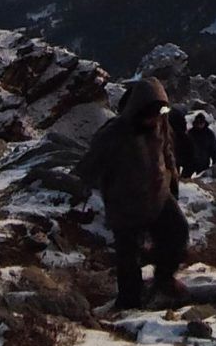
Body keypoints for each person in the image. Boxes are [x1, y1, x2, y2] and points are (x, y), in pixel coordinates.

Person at [76, 78, 189, 308]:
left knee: (178, 234)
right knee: (128, 258)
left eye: (160, 111)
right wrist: (81, 186)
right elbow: (90, 164)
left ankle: (164, 279)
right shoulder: (114, 133)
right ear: (138, 109)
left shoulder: (161, 121)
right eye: (151, 112)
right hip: (125, 204)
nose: (155, 118)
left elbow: (167, 152)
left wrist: (173, 182)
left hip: (158, 195)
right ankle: (129, 302)